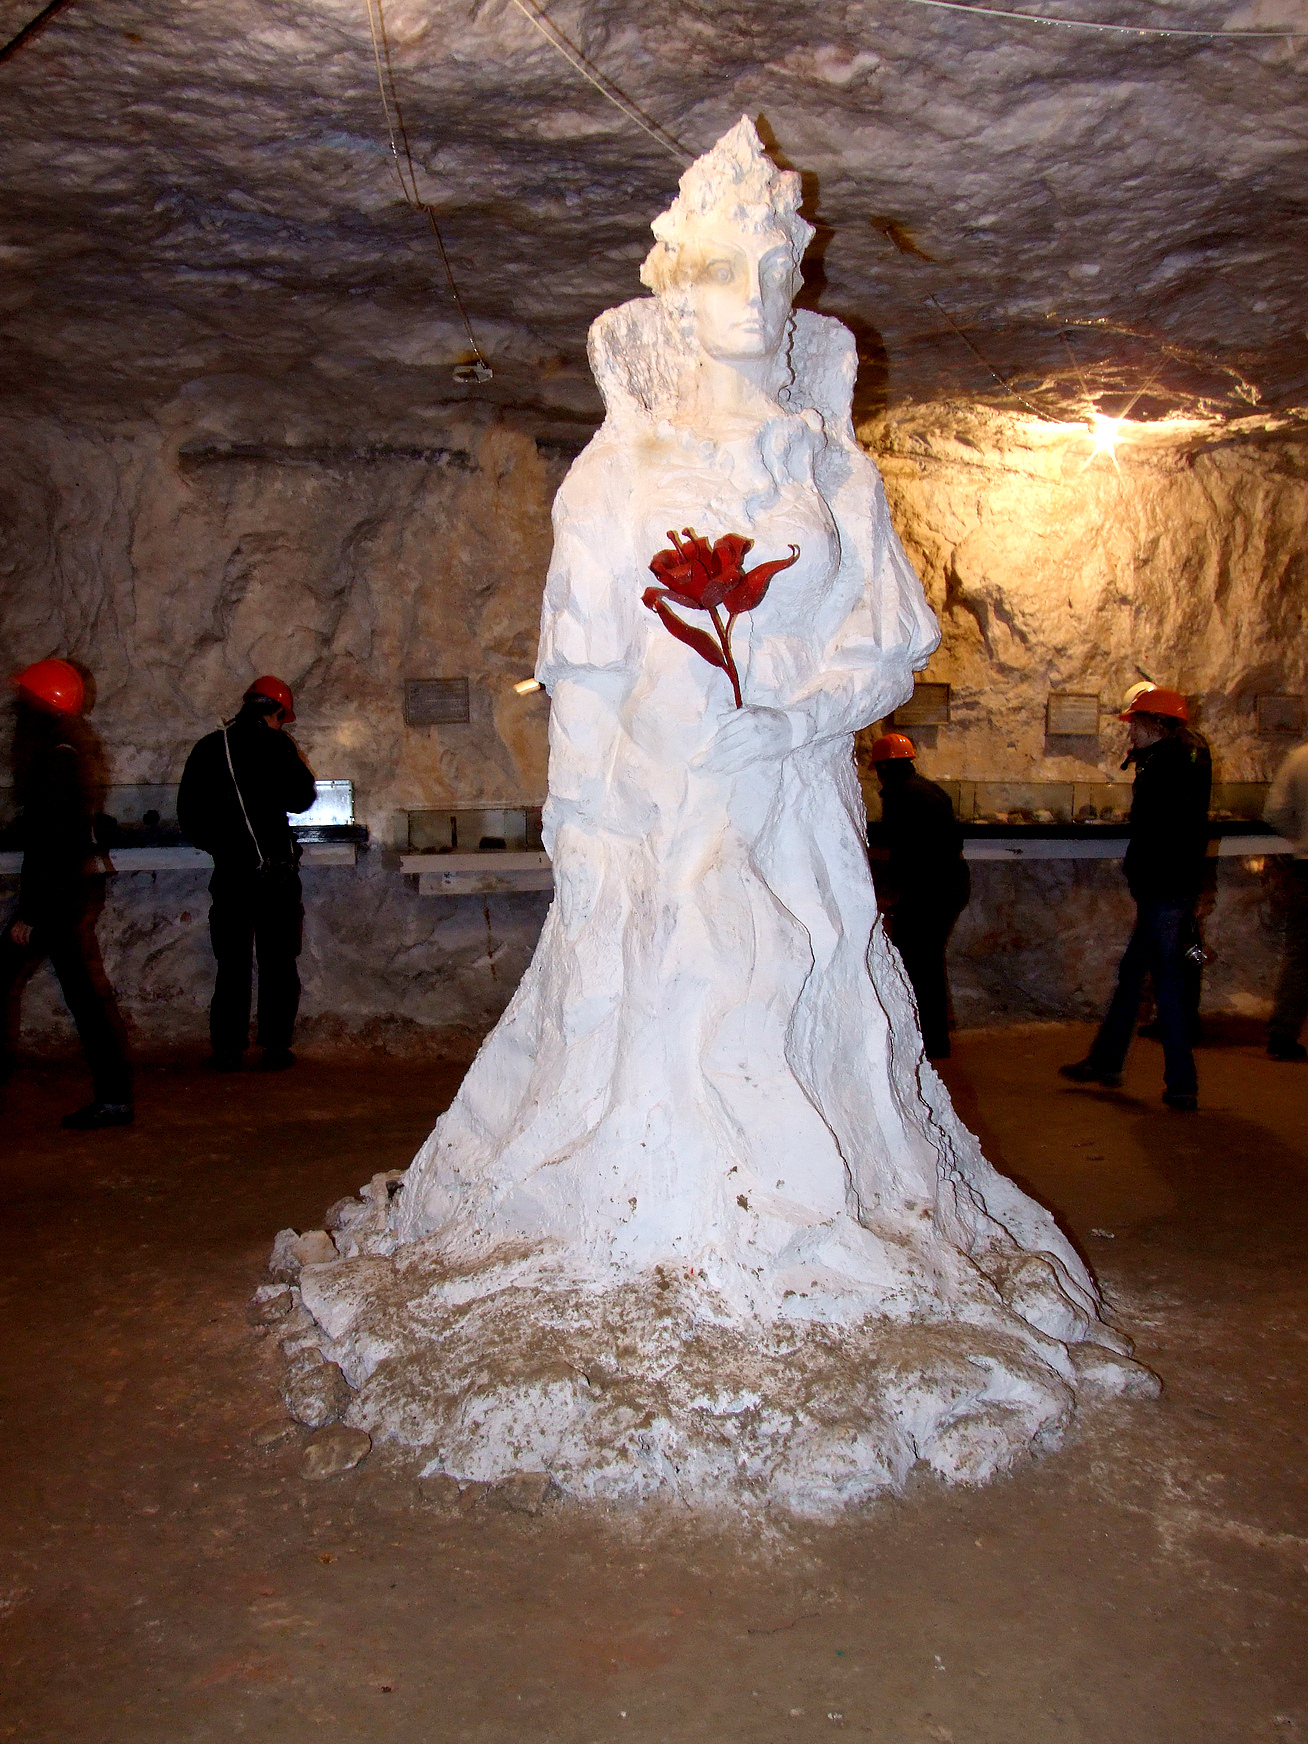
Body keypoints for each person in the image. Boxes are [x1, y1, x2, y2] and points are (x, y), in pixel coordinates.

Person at [1061, 685, 1212, 1109]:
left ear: (1155, 724)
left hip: (1164, 887)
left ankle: (1182, 1084)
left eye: (1136, 725)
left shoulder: (1165, 765)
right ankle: (1106, 1060)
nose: (1131, 734)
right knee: (1134, 973)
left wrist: (1143, 874)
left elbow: (1157, 831)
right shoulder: (1186, 757)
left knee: (1167, 982)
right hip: (1173, 884)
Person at [0, 658, 133, 1129]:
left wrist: (31, 913)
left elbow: (52, 843)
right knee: (86, 998)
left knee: (82, 999)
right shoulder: (66, 752)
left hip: (56, 896)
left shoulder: (54, 758)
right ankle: (115, 1097)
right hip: (67, 891)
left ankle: (115, 1098)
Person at [177, 677, 316, 1071]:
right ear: (275, 712)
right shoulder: (277, 745)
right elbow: (302, 799)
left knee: (232, 962)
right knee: (279, 961)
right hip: (276, 873)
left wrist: (224, 848)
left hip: (232, 873)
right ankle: (275, 1047)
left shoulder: (209, 747)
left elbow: (189, 816)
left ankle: (227, 1049)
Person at [868, 731, 970, 1059]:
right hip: (949, 884)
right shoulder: (928, 789)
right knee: (927, 963)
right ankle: (934, 1040)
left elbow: (906, 851)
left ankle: (927, 1042)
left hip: (929, 890)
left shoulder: (900, 796)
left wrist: (890, 891)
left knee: (917, 965)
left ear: (883, 767)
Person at [1264, 735, 1308, 1062]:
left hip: (1307, 864)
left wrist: (1300, 837)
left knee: (1301, 952)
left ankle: (1283, 1032)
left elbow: (1275, 813)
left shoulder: (1298, 759)